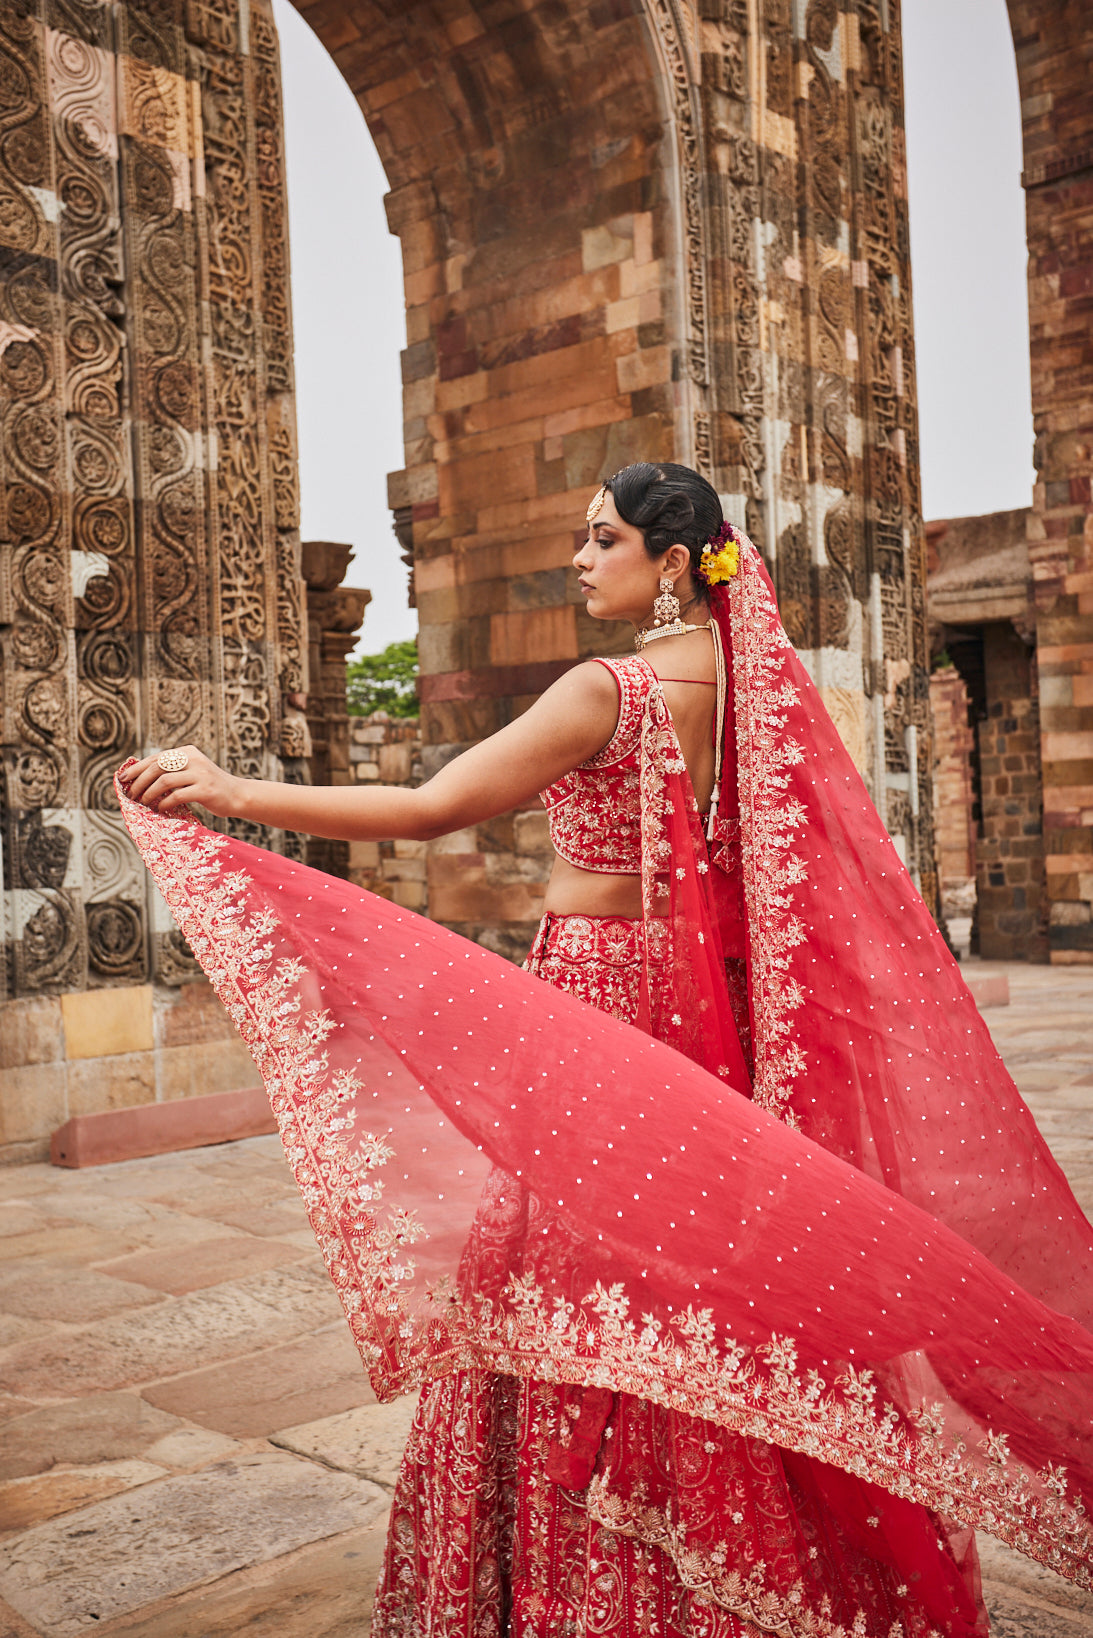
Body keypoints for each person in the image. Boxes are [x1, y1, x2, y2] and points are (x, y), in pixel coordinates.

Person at [119, 462, 1093, 1637]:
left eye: (602, 539)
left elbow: (430, 809)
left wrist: (229, 789)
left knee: (577, 1268)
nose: (579, 561)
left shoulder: (607, 693)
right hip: (714, 1021)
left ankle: (598, 1586)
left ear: (672, 561)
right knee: (705, 1277)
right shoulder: (758, 695)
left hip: (596, 1011)